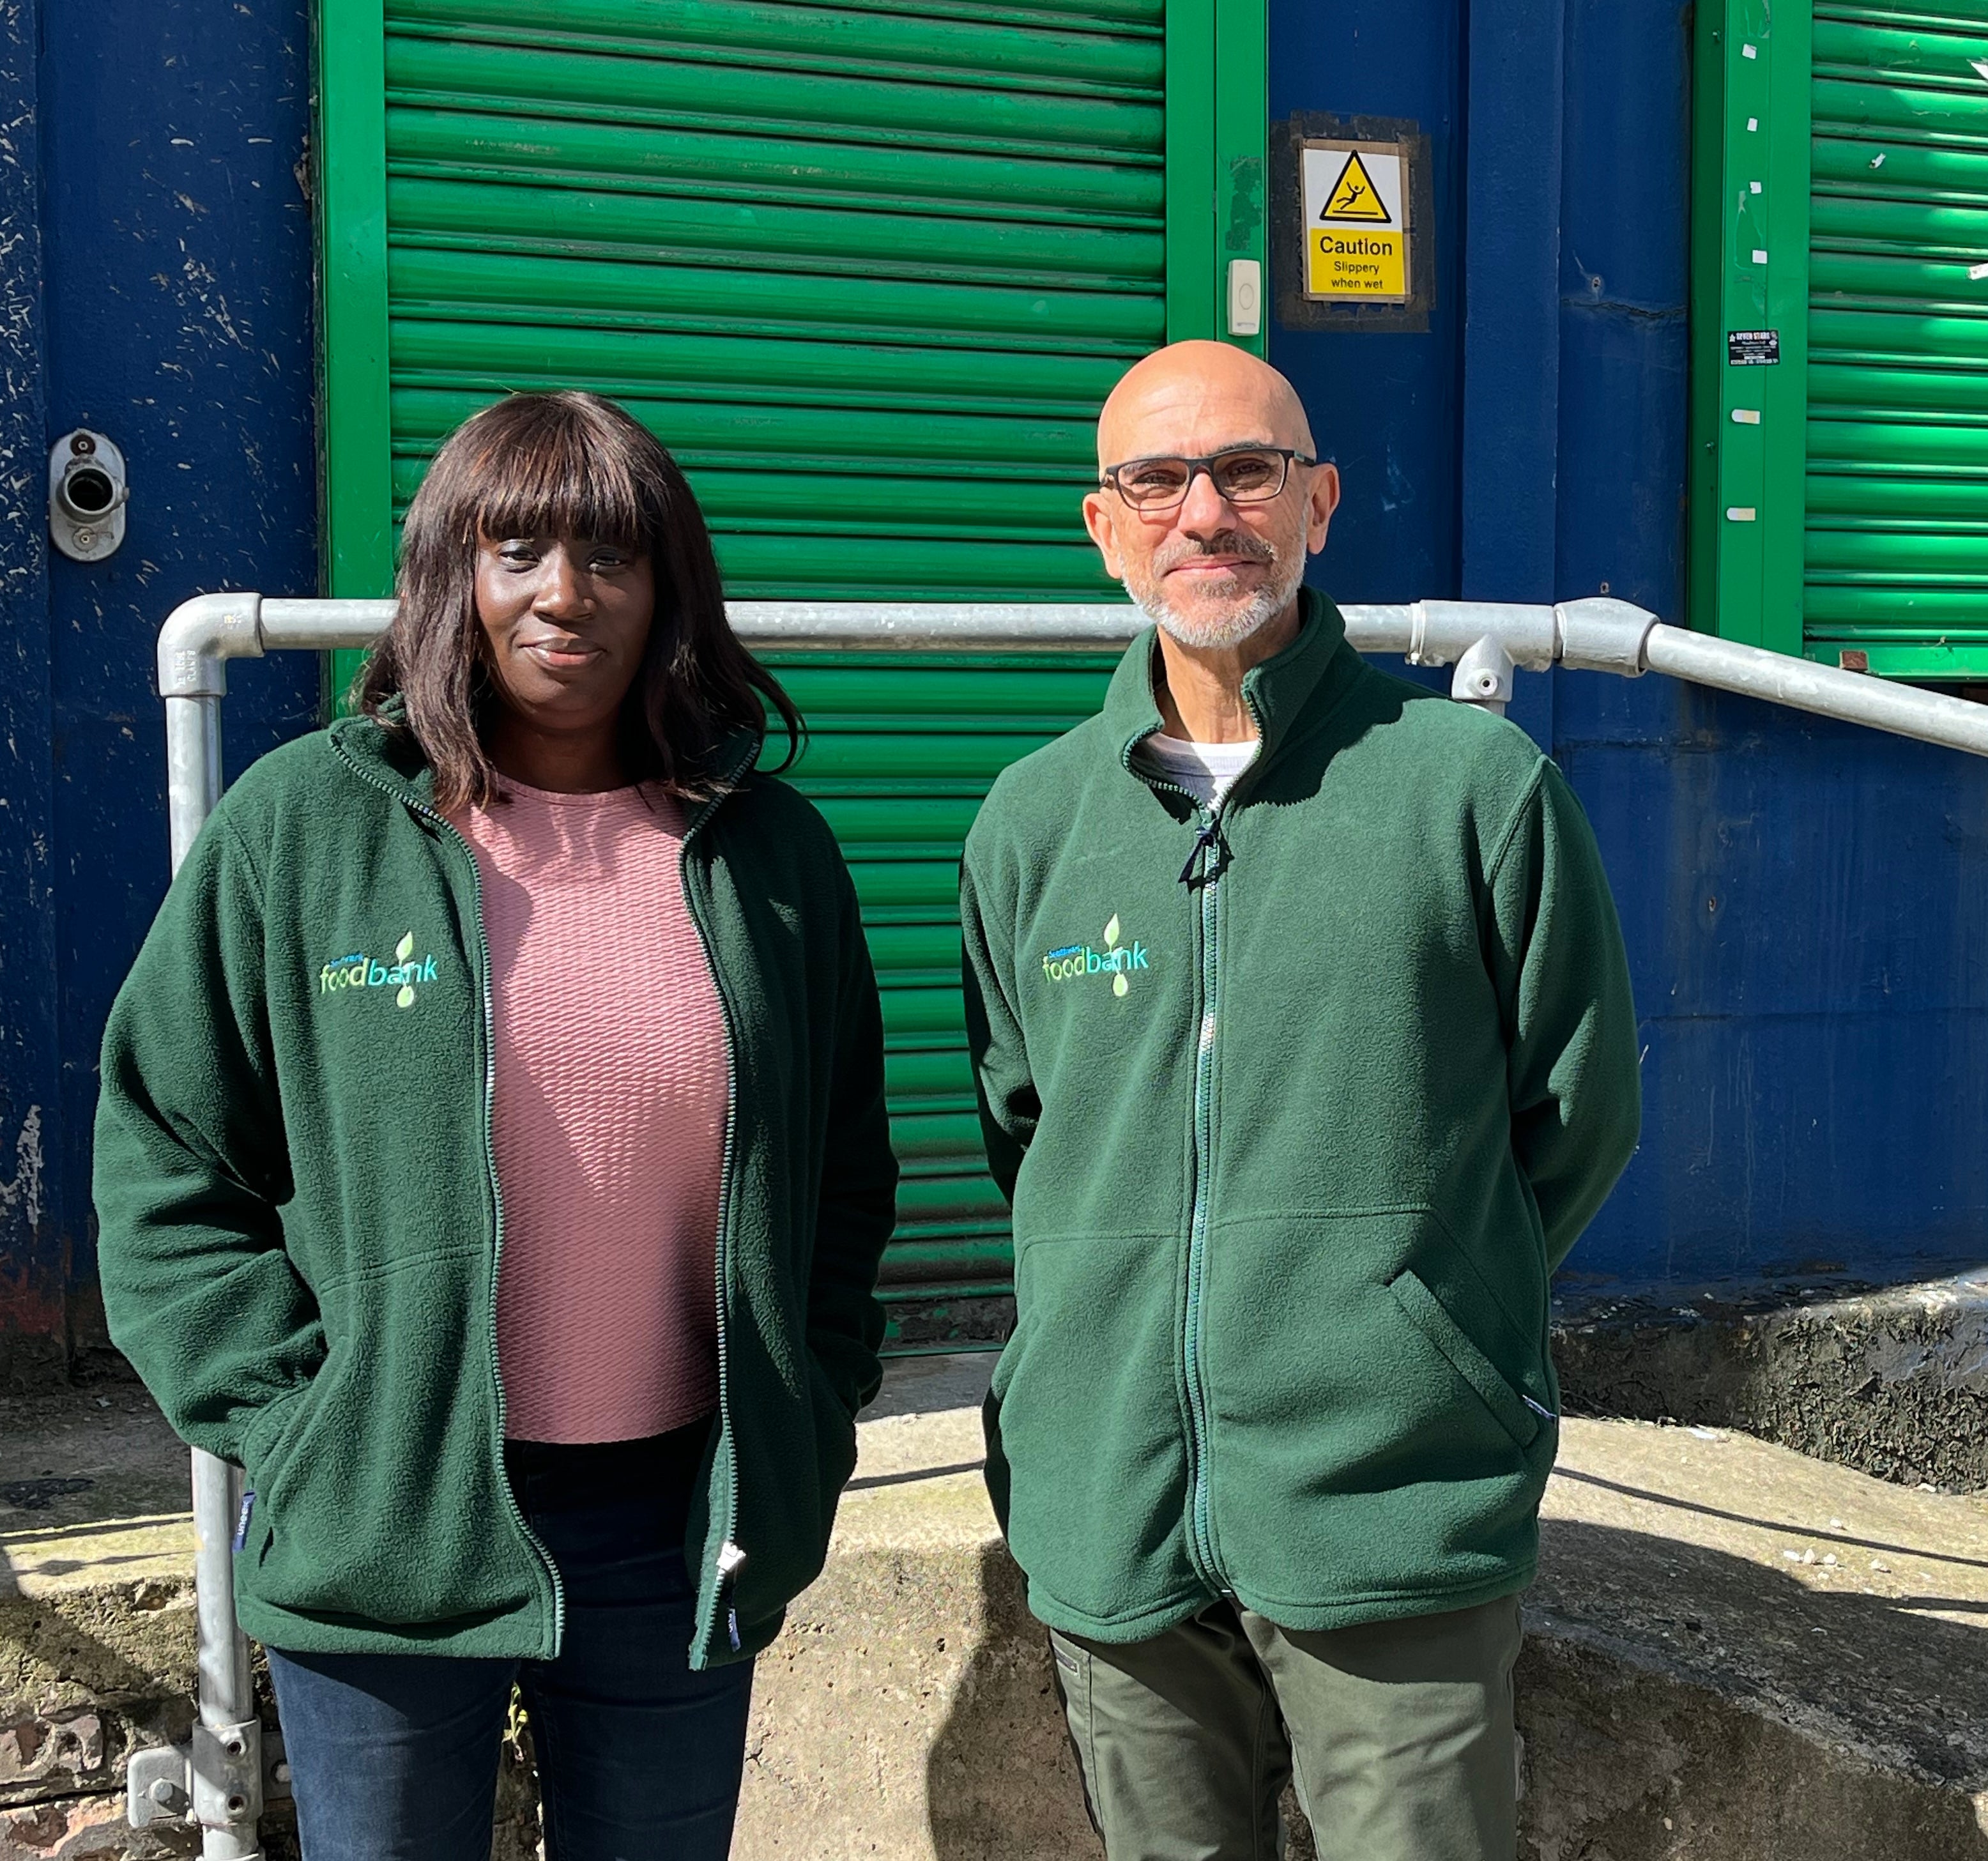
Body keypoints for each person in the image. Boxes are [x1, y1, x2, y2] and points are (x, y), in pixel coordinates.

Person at [93, 391, 896, 1860]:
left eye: (609, 554)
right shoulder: (306, 829)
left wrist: (808, 1405)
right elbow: (164, 1152)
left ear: (669, 587)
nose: (563, 594)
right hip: (389, 1510)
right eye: (515, 548)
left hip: (677, 1517)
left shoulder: (770, 850)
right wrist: (303, 1417)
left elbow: (845, 1171)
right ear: (449, 573)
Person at [958, 340, 1642, 1858]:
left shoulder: (1471, 786)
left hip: (1387, 1505)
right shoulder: (1030, 821)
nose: (1205, 511)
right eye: (1157, 479)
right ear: (1104, 524)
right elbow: (1027, 1123)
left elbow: (1576, 1115)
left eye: (1246, 470)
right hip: (1108, 1500)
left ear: (1317, 501)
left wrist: (1415, 1318)